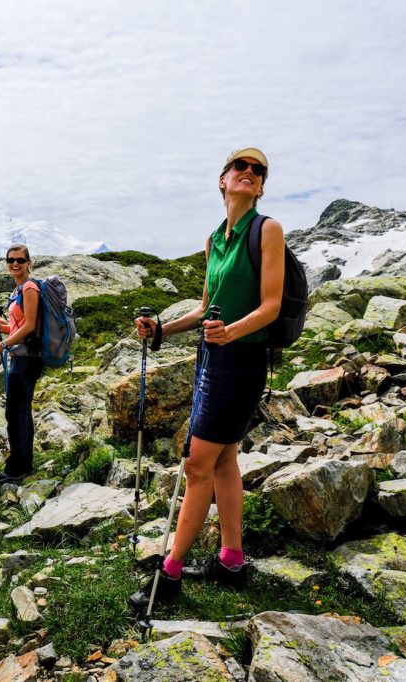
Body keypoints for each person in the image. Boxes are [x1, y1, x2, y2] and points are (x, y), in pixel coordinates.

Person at [128, 147, 285, 609]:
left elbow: (271, 305)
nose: (250, 173)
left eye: (259, 171)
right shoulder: (216, 238)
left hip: (241, 363)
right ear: (222, 180)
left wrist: (229, 333)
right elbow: (203, 307)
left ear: (260, 187)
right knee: (222, 460)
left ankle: (170, 573)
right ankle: (231, 560)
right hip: (213, 358)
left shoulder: (267, 230)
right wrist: (162, 330)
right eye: (242, 166)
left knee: (197, 465)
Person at [0, 244, 43, 483]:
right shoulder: (19, 289)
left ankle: (18, 466)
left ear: (28, 262)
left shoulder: (29, 287)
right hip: (23, 356)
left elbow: (29, 326)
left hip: (27, 358)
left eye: (19, 260)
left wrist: (3, 345)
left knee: (15, 411)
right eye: (10, 260)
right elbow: (18, 326)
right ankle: (23, 461)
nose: (15, 264)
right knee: (20, 410)